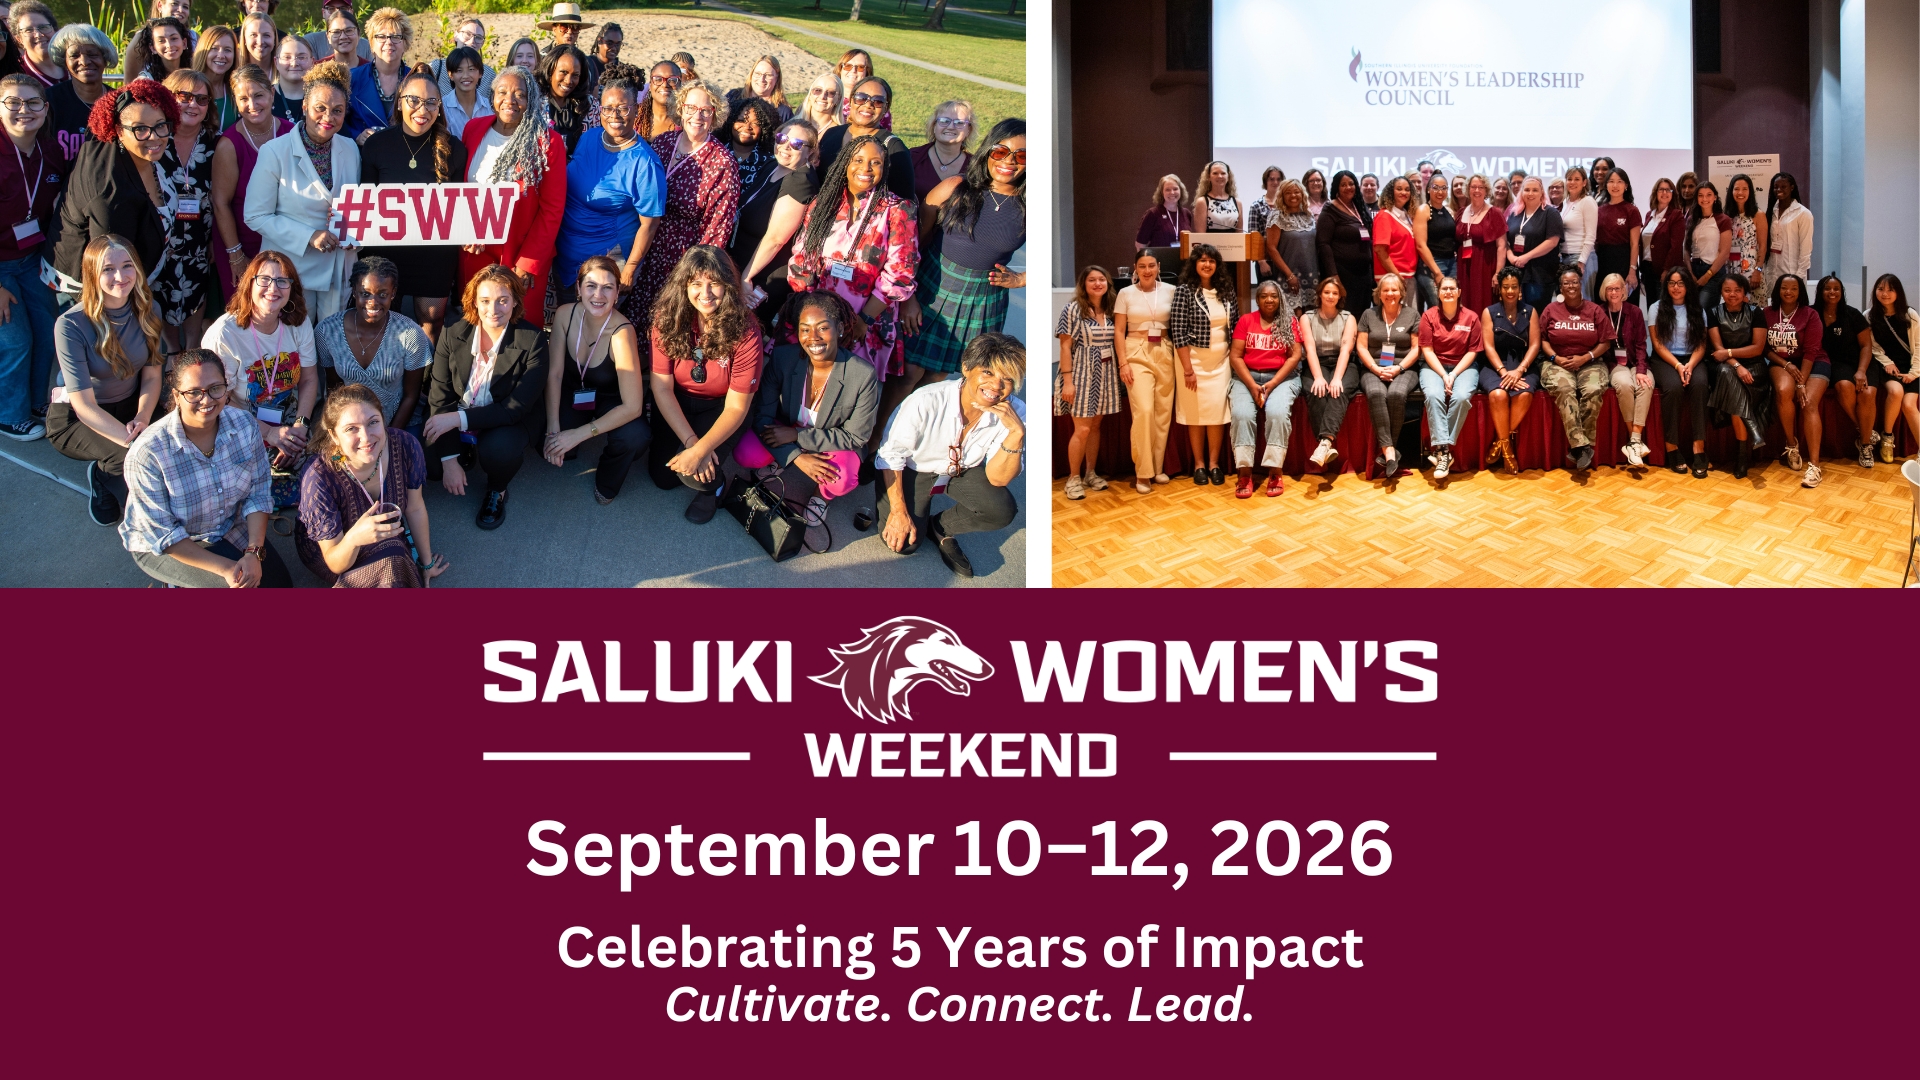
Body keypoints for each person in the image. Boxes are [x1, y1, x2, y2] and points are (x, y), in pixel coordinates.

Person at [120, 350, 290, 587]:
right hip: (166, 544)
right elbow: (164, 534)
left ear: (226, 388)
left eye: (215, 388)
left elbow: (259, 493)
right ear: (176, 396)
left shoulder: (245, 425)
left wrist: (253, 551)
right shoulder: (147, 454)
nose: (207, 400)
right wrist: (227, 569)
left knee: (280, 587)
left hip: (228, 525)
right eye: (193, 393)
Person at [873, 331, 1023, 579]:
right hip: (914, 467)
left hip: (962, 469)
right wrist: (898, 512)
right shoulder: (926, 400)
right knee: (905, 545)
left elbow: (998, 479)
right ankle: (887, 500)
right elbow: (891, 455)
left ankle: (941, 526)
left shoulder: (1016, 413)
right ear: (966, 368)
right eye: (987, 372)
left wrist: (1016, 433)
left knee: (1001, 511)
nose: (996, 386)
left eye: (1007, 379)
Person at [49, 237, 165, 525]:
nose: (120, 277)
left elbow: (152, 375)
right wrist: (133, 444)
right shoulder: (70, 325)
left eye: (127, 266)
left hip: (132, 405)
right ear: (92, 274)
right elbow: (84, 406)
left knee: (173, 443)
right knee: (130, 461)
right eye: (108, 269)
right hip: (79, 416)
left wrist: (143, 418)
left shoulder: (150, 310)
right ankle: (105, 478)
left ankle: (110, 469)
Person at [422, 264, 548, 529]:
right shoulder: (453, 330)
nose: (494, 310)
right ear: (474, 303)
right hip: (461, 410)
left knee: (498, 450)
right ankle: (462, 450)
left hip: (506, 419)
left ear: (515, 301)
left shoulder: (533, 340)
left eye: (503, 300)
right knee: (432, 464)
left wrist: (457, 420)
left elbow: (515, 408)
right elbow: (440, 393)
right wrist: (449, 460)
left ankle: (497, 489)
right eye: (486, 301)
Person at [903, 118, 1024, 389]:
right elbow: (911, 244)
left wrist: (1022, 279)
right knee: (908, 371)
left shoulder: (1031, 207)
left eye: (1022, 156)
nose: (1009, 162)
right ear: (988, 151)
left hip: (983, 299)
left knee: (937, 377)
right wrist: (907, 295)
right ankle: (878, 433)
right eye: (1001, 151)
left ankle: (921, 427)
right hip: (932, 286)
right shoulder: (955, 187)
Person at [785, 133, 911, 389]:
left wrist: (863, 320)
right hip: (815, 315)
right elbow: (801, 259)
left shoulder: (897, 210)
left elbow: (900, 275)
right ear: (845, 163)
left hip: (866, 320)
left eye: (875, 162)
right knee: (804, 386)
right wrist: (810, 311)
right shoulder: (824, 203)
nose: (866, 169)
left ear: (884, 168)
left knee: (850, 392)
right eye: (858, 160)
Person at [647, 244, 763, 522]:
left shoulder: (746, 330)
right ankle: (702, 456)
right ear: (683, 286)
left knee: (696, 477)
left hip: (722, 407)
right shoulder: (667, 320)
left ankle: (715, 487)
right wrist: (690, 442)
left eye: (715, 283)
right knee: (664, 478)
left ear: (729, 286)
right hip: (677, 400)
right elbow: (661, 387)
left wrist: (699, 450)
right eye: (696, 283)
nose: (706, 293)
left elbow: (736, 408)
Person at [296, 381, 445, 586]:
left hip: (386, 535)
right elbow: (334, 561)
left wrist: (426, 564)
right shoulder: (318, 478)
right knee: (392, 558)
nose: (366, 437)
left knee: (392, 555)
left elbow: (415, 507)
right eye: (351, 429)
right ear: (334, 435)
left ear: (383, 420)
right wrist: (354, 538)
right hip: (334, 550)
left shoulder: (405, 445)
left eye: (373, 422)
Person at [752, 290, 878, 530]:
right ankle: (784, 459)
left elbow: (856, 436)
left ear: (839, 328)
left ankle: (822, 496)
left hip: (827, 439)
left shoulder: (862, 375)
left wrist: (798, 437)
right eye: (805, 329)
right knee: (749, 452)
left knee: (842, 479)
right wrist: (797, 457)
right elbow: (762, 415)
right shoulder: (782, 358)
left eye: (822, 328)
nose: (813, 338)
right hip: (787, 428)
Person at [245, 61, 360, 322]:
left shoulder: (350, 149)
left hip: (339, 268)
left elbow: (352, 204)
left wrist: (357, 231)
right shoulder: (274, 152)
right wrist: (309, 236)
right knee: (297, 343)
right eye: (320, 108)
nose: (328, 117)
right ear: (305, 106)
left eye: (337, 110)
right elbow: (255, 215)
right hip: (293, 270)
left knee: (332, 345)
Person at [357, 65, 465, 342]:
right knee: (380, 319)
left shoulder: (454, 148)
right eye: (414, 100)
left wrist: (471, 232)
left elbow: (460, 206)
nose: (423, 109)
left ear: (439, 107)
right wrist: (347, 220)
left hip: (434, 253)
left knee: (432, 320)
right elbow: (366, 199)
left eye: (431, 102)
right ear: (400, 102)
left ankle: (423, 383)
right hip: (385, 251)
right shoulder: (377, 145)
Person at [457, 65, 565, 331]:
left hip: (519, 253)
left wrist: (528, 261)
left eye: (520, 94)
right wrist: (464, 231)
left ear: (530, 100)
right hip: (475, 251)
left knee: (521, 328)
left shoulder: (547, 142)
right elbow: (462, 191)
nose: (510, 100)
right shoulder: (473, 129)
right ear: (492, 97)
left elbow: (552, 209)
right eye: (503, 92)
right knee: (476, 323)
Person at [201, 249, 318, 480]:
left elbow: (309, 379)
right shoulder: (225, 334)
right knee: (253, 479)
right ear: (249, 284)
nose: (273, 289)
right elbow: (218, 397)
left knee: (316, 469)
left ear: (291, 289)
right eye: (264, 280)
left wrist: (300, 428)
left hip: (288, 414)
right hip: (238, 416)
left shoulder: (298, 323)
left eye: (282, 281)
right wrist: (268, 433)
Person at [51, 80, 174, 297]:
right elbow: (110, 272)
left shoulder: (147, 153)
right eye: (141, 129)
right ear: (118, 130)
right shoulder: (109, 194)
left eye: (160, 125)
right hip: (94, 293)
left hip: (137, 280)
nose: (154, 136)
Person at [542, 256, 649, 504]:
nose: (598, 295)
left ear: (616, 293)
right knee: (545, 444)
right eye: (591, 285)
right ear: (578, 288)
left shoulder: (622, 333)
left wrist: (579, 434)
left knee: (634, 437)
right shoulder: (564, 315)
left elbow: (632, 406)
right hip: (575, 391)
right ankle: (565, 437)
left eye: (607, 287)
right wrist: (553, 428)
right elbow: (555, 374)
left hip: (612, 399)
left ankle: (608, 479)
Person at [555, 75, 662, 308]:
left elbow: (650, 224)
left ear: (636, 109)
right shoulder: (589, 137)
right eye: (608, 108)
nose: (615, 116)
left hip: (606, 262)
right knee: (567, 323)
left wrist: (631, 268)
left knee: (597, 332)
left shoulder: (645, 163)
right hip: (566, 255)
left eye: (623, 108)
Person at [0, 72, 57, 440]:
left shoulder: (49, 151)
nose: (25, 110)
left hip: (33, 258)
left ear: (45, 108)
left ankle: (36, 401)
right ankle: (8, 413)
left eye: (33, 102)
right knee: (15, 339)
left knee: (47, 332)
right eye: (14, 103)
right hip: (2, 266)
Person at [315, 255, 431, 430]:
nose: (373, 302)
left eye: (382, 294)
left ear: (393, 293)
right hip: (350, 422)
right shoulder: (327, 331)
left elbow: (411, 395)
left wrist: (389, 436)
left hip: (398, 421)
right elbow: (334, 389)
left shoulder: (411, 333)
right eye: (365, 294)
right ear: (354, 291)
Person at [209, 64, 287, 305]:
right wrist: (235, 255)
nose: (252, 105)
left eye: (259, 95)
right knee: (245, 312)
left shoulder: (291, 133)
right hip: (241, 243)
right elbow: (220, 203)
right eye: (243, 98)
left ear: (272, 94)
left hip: (285, 242)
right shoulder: (229, 144)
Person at [155, 69, 220, 353]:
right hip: (159, 237)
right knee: (162, 290)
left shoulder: (217, 144)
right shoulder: (153, 140)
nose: (192, 104)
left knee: (196, 287)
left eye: (201, 99)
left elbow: (223, 198)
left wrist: (215, 240)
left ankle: (192, 348)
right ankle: (171, 349)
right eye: (183, 96)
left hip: (200, 236)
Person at [736, 118, 818, 326]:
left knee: (746, 333)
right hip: (743, 264)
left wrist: (745, 278)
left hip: (762, 276)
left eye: (797, 144)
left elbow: (775, 239)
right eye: (782, 138)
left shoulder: (801, 181)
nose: (785, 147)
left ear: (810, 151)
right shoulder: (773, 165)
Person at [1225, 279, 1300, 497]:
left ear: (1280, 299)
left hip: (1281, 378)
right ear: (1257, 300)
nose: (1269, 299)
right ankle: (1245, 473)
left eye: (1274, 296)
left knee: (1277, 413)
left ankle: (1275, 472)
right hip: (1246, 376)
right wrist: (1252, 385)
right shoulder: (1246, 321)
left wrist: (1272, 384)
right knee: (1241, 414)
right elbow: (1235, 356)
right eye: (1264, 296)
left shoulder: (1289, 321)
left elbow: (1295, 356)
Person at [1169, 243, 1234, 485]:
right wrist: (1188, 370)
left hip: (1221, 362)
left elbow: (1234, 327)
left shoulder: (1226, 290)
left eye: (1212, 261)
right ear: (1194, 264)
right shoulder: (1185, 291)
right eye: (1202, 260)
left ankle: (1214, 463)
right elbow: (1178, 331)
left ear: (1217, 266)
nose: (1207, 265)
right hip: (1192, 361)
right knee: (1196, 413)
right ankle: (1199, 464)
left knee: (1217, 413)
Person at [1539, 265, 1615, 472]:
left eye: (1574, 282)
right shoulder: (1550, 310)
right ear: (1560, 288)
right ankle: (1583, 447)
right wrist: (1555, 358)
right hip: (1558, 363)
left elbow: (1606, 342)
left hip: (1589, 362)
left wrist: (1585, 357)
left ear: (1581, 284)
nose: (1571, 286)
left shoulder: (1594, 310)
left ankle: (1579, 448)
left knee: (1593, 390)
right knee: (1564, 389)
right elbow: (1542, 340)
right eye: (1566, 283)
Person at [1054, 264, 1118, 500]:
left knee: (1095, 427)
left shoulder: (1111, 310)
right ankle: (1073, 478)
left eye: (1102, 279)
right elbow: (1065, 346)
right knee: (1081, 428)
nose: (1098, 284)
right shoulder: (1073, 309)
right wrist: (1067, 382)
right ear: (1084, 284)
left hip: (1106, 372)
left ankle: (1090, 473)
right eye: (1092, 280)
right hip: (1081, 373)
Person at [1113, 250, 1174, 493]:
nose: (1147, 270)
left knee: (1162, 413)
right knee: (1145, 411)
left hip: (1164, 350)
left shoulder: (1171, 290)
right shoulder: (1125, 293)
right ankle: (1143, 472)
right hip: (1136, 352)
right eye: (1142, 266)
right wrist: (1123, 362)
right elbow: (1119, 331)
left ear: (1158, 266)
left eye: (1151, 265)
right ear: (1135, 268)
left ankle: (1157, 468)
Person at [1761, 274, 1827, 485]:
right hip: (1781, 362)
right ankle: (1792, 445)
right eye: (1784, 288)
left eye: (1794, 289)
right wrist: (1786, 364)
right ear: (1777, 290)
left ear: (1801, 292)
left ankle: (1815, 466)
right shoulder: (1767, 313)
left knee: (1808, 402)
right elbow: (1764, 347)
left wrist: (1801, 383)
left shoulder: (1810, 314)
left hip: (1813, 361)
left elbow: (1811, 350)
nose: (1788, 292)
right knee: (1782, 391)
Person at [1706, 275, 1772, 477]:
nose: (1732, 294)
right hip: (1727, 367)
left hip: (1755, 369)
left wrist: (1730, 354)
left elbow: (1757, 348)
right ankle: (1747, 445)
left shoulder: (1756, 312)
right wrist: (1736, 364)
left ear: (1744, 292)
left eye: (1737, 290)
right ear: (1721, 293)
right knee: (1728, 374)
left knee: (1731, 386)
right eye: (1727, 290)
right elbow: (1717, 349)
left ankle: (1742, 454)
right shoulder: (1714, 313)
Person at [1356, 272, 1420, 477]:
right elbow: (1361, 347)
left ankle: (1387, 453)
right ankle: (1390, 451)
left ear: (1401, 292)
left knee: (1396, 395)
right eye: (1385, 290)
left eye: (1394, 289)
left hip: (1405, 368)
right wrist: (1376, 369)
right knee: (1376, 394)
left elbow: (1417, 348)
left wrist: (1398, 368)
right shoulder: (1368, 314)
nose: (1390, 293)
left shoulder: (1412, 315)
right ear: (1379, 293)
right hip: (1372, 368)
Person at [1648, 266, 1710, 478]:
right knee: (1673, 388)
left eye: (1680, 283)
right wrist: (1677, 366)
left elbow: (1702, 344)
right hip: (1665, 359)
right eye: (1672, 283)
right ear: (1666, 286)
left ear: (1687, 286)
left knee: (1700, 385)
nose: (1676, 287)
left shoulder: (1697, 309)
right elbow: (1657, 345)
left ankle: (1698, 448)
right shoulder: (1656, 308)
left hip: (1692, 358)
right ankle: (1672, 448)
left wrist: (1690, 365)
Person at [1478, 266, 1539, 473]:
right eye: (1506, 287)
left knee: (1524, 396)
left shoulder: (1530, 311)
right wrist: (1504, 372)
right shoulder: (1489, 312)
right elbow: (1488, 347)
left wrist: (1520, 370)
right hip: (1496, 365)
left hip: (1523, 364)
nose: (1510, 291)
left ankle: (1500, 441)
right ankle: (1508, 450)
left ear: (1520, 288)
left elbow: (1534, 345)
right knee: (1498, 395)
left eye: (1514, 286)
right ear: (1500, 289)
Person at [1415, 276, 1477, 479]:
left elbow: (1472, 352)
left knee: (1460, 397)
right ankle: (1444, 453)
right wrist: (1444, 374)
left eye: (1452, 288)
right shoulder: (1428, 316)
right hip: (1434, 367)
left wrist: (1454, 374)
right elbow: (1427, 350)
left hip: (1464, 366)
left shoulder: (1471, 317)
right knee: (1433, 395)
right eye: (1444, 289)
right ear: (1438, 293)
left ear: (1459, 292)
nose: (1448, 292)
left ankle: (1441, 449)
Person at [818, 76, 912, 203]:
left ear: (885, 109)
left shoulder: (893, 147)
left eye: (878, 101)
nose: (868, 105)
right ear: (851, 101)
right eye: (861, 98)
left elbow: (905, 200)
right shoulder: (832, 134)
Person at [1817, 274, 1877, 469]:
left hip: (1862, 361)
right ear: (1820, 291)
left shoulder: (1853, 314)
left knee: (1867, 393)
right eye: (1827, 288)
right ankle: (1863, 430)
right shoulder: (1812, 313)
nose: (1832, 292)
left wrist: (1861, 371)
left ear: (1842, 292)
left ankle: (1865, 445)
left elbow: (1866, 346)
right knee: (1844, 386)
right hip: (1836, 363)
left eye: (1836, 289)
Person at [1302, 277, 1359, 472]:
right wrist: (1318, 377)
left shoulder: (1348, 317)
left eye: (1335, 293)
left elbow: (1345, 349)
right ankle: (1326, 444)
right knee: (1316, 390)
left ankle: (1324, 443)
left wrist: (1336, 378)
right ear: (1319, 294)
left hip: (1343, 363)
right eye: (1327, 292)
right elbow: (1309, 349)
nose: (1330, 296)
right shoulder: (1307, 317)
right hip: (1316, 361)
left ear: (1340, 296)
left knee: (1338, 390)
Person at [1597, 273, 1653, 466]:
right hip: (1614, 364)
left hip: (1636, 362)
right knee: (1624, 384)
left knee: (1645, 383)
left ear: (1624, 291)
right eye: (1610, 288)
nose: (1614, 292)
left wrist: (1641, 370)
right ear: (1604, 291)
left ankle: (1633, 442)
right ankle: (1635, 440)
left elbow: (1641, 345)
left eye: (1618, 288)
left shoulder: (1635, 312)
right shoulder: (1599, 312)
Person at [1866, 273, 1920, 463]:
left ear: (1898, 292)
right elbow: (1872, 347)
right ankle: (1887, 438)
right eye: (1881, 289)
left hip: (1912, 368)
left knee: (1909, 405)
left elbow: (1919, 345)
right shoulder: (1869, 316)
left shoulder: (1910, 314)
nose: (1885, 293)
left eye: (1890, 289)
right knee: (1896, 392)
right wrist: (1887, 362)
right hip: (1888, 368)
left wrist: (1914, 373)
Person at [44, 26, 113, 166]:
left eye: (92, 54)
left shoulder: (120, 101)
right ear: (65, 62)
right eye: (74, 55)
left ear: (105, 59)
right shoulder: (49, 101)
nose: (84, 61)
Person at [1316, 170, 1373, 317]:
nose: (1348, 187)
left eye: (1351, 183)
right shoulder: (1330, 209)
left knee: (1362, 313)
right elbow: (1323, 244)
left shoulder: (1359, 207)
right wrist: (1333, 275)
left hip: (1364, 274)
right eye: (1343, 185)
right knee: (1346, 314)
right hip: (1343, 273)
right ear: (1336, 188)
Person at [1500, 178, 1562, 311]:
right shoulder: (1514, 213)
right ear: (1521, 192)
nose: (1530, 193)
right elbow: (1505, 240)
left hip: (1539, 273)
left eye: (1535, 190)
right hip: (1516, 270)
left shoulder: (1550, 213)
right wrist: (1510, 255)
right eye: (1527, 190)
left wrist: (1526, 257)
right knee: (1516, 311)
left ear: (1542, 193)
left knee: (1535, 311)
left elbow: (1552, 241)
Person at [1263, 178, 1317, 318]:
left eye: (1296, 192)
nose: (1293, 195)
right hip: (1289, 276)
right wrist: (1289, 275)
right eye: (1288, 192)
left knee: (1311, 316)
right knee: (1294, 318)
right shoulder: (1277, 216)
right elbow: (1271, 248)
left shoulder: (1308, 215)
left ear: (1302, 194)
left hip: (1311, 274)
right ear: (1282, 195)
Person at [1454, 174, 1505, 315]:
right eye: (1473, 187)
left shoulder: (1494, 213)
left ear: (1486, 190)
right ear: (1468, 189)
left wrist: (1498, 273)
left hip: (1485, 265)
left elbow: (1501, 246)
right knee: (1464, 300)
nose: (1477, 190)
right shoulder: (1461, 212)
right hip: (1464, 265)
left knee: (1483, 301)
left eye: (1480, 187)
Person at [1594, 167, 1642, 305]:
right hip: (1603, 261)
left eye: (1619, 181)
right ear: (1606, 185)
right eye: (1611, 181)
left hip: (1624, 261)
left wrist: (1632, 271)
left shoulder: (1631, 210)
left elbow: (1634, 244)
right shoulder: (1599, 210)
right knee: (1603, 302)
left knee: (1626, 303)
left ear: (1626, 185)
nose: (1615, 185)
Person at [909, 98, 969, 201]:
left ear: (968, 130)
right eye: (944, 121)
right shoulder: (911, 157)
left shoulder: (976, 166)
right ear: (934, 126)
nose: (951, 127)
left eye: (959, 123)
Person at [1686, 180, 1732, 312]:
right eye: (1700, 195)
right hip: (1693, 270)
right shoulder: (1691, 219)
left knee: (1702, 308)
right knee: (1692, 311)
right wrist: (1690, 273)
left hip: (1713, 272)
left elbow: (1724, 253)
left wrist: (1707, 276)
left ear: (1715, 197)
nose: (1704, 199)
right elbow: (1686, 249)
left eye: (1708, 195)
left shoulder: (1723, 219)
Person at [1763, 173, 1812, 299]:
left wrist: (1798, 278)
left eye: (1783, 186)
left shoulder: (1803, 214)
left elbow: (1806, 250)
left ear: (1792, 187)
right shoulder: (1770, 212)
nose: (1779, 190)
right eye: (1776, 187)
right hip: (1771, 274)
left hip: (1792, 274)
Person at [1413, 173, 1456, 313]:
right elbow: (1420, 245)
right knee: (1437, 308)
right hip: (1431, 266)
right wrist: (1437, 272)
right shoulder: (1423, 210)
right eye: (1436, 187)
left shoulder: (1449, 211)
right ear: (1428, 189)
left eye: (1444, 188)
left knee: (1451, 307)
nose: (1440, 192)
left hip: (1451, 264)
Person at [1370, 176, 1419, 298]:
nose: (1404, 192)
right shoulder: (1384, 216)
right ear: (1391, 192)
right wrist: (1397, 276)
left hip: (1407, 276)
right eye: (1399, 189)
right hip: (1391, 278)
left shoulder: (1407, 215)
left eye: (1407, 189)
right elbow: (1380, 250)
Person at [539, 44, 592, 156]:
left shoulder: (590, 106)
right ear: (550, 70)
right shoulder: (535, 104)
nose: (568, 81)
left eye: (575, 75)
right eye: (563, 72)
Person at [1724, 174, 1767, 299]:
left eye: (1745, 189)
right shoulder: (1726, 215)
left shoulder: (1758, 215)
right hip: (1731, 272)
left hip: (1752, 274)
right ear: (1731, 191)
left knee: (1754, 314)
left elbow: (1763, 246)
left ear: (1750, 191)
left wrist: (1758, 271)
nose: (1740, 192)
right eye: (1736, 189)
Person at [190, 25, 239, 132]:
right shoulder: (187, 88)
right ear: (203, 51)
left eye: (227, 50)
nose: (221, 55)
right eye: (214, 48)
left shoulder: (237, 90)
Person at [438, 46, 493, 136]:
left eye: (471, 69)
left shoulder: (489, 108)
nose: (466, 76)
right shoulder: (442, 108)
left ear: (480, 73)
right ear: (450, 75)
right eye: (459, 70)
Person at [1640, 177, 1680, 300]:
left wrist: (1666, 270)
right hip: (1647, 269)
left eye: (1668, 190)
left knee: (1663, 308)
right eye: (1661, 189)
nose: (1664, 193)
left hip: (1664, 270)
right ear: (1655, 192)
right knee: (1651, 307)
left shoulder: (1676, 215)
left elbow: (1676, 246)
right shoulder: (1649, 215)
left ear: (1672, 194)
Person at [1560, 165, 1596, 295]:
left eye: (1577, 179)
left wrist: (1582, 261)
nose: (1572, 182)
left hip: (1581, 258)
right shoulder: (1566, 202)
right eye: (1569, 179)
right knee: (1570, 300)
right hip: (1565, 258)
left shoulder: (1587, 201)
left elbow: (1591, 235)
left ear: (1584, 182)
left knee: (1583, 300)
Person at [729, 54, 793, 128]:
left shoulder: (783, 112)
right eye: (758, 74)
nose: (762, 79)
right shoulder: (733, 96)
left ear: (777, 78)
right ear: (751, 74)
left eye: (768, 75)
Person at [7, 2, 59, 87]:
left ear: (55, 30)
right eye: (28, 30)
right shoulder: (16, 75)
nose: (38, 35)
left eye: (43, 27)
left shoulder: (74, 61)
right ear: (19, 39)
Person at [1246, 167, 1283, 283]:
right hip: (1266, 261)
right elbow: (1254, 236)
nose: (1275, 182)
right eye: (1271, 179)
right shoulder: (1256, 206)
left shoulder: (1287, 205)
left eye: (1278, 179)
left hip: (1285, 260)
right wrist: (1261, 262)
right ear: (1265, 182)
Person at [304, 0, 369, 65]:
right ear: (328, 37)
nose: (337, 12)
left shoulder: (371, 68)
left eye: (343, 9)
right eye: (331, 9)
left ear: (358, 33)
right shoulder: (319, 69)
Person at [1136, 173, 1190, 251]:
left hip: (1182, 261)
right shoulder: (1153, 214)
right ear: (1162, 192)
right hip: (1159, 261)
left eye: (1175, 189)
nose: (1172, 192)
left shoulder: (1186, 214)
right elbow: (1140, 244)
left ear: (1181, 190)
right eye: (1167, 189)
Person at [129, 17, 192, 83]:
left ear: (184, 43)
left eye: (174, 38)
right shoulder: (147, 80)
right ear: (153, 48)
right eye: (161, 41)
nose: (169, 45)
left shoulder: (197, 71)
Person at [270, 33, 313, 124]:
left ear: (312, 62)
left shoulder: (321, 97)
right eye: (287, 57)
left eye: (301, 57)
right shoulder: (264, 96)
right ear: (276, 62)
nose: (294, 63)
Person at [638, 59, 683, 141]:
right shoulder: (635, 115)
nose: (665, 84)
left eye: (672, 80)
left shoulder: (686, 121)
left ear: (680, 85)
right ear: (650, 85)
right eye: (658, 79)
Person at [1191, 159, 1241, 234]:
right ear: (1208, 177)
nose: (1220, 176)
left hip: (1233, 245)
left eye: (1223, 173)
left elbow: (1240, 233)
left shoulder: (1237, 202)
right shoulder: (1202, 202)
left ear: (1228, 177)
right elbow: (1200, 235)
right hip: (1210, 245)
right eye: (1215, 173)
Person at [431, 17, 487, 83]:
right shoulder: (436, 68)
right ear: (456, 36)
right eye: (468, 34)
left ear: (482, 43)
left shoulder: (489, 76)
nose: (472, 41)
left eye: (478, 37)